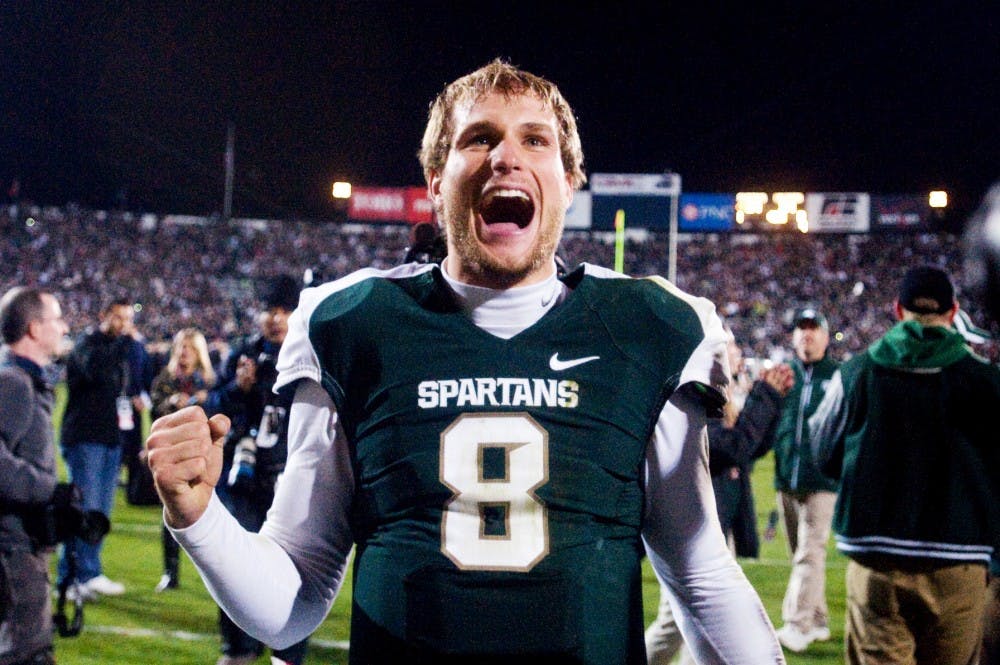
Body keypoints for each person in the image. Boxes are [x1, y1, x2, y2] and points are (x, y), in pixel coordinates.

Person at [147, 60, 783, 664]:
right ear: (434, 180)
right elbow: (290, 607)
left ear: (568, 180)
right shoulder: (349, 324)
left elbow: (699, 574)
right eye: (478, 138)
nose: (505, 156)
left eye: (535, 140)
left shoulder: (651, 328)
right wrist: (200, 518)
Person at [809, 265, 1000, 665]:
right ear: (953, 312)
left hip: (877, 559)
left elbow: (822, 449)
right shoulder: (986, 381)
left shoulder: (857, 371)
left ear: (897, 309)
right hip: (960, 559)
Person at [645, 331, 793, 664]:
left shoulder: (720, 394)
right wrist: (766, 396)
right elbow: (732, 447)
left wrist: (772, 399)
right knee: (674, 627)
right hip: (688, 533)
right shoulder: (692, 396)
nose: (739, 353)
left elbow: (751, 448)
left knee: (694, 629)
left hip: (709, 525)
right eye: (732, 346)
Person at [201, 275, 308, 665]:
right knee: (238, 570)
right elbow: (212, 409)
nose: (276, 318)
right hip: (243, 482)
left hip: (291, 482)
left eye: (284, 310)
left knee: (294, 571)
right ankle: (239, 648)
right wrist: (236, 390)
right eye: (269, 310)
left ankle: (289, 651)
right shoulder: (242, 354)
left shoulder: (310, 354)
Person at [0, 287, 69, 664]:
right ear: (33, 328)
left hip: (21, 542)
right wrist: (48, 489)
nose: (63, 327)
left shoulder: (21, 380)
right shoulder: (14, 383)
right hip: (13, 547)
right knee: (27, 654)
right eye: (56, 319)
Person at [770, 306, 839, 652]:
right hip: (787, 478)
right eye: (801, 329)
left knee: (809, 553)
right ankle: (819, 620)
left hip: (822, 480)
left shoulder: (839, 375)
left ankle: (797, 626)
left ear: (825, 336)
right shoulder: (784, 375)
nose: (807, 334)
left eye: (814, 329)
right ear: (794, 336)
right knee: (802, 553)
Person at [57, 297, 136, 601]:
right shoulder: (87, 343)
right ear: (103, 316)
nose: (123, 324)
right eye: (118, 317)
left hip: (109, 438)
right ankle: (70, 577)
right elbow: (96, 371)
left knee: (100, 511)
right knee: (82, 509)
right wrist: (124, 344)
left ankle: (91, 572)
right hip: (84, 438)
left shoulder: (120, 350)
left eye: (128, 318)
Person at [148, 328, 217, 592]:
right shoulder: (165, 380)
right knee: (172, 514)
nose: (184, 352)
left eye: (189, 347)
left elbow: (222, 413)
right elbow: (155, 410)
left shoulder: (209, 381)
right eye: (181, 346)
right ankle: (170, 573)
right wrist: (171, 403)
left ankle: (213, 576)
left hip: (204, 456)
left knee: (208, 517)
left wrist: (204, 401)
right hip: (173, 456)